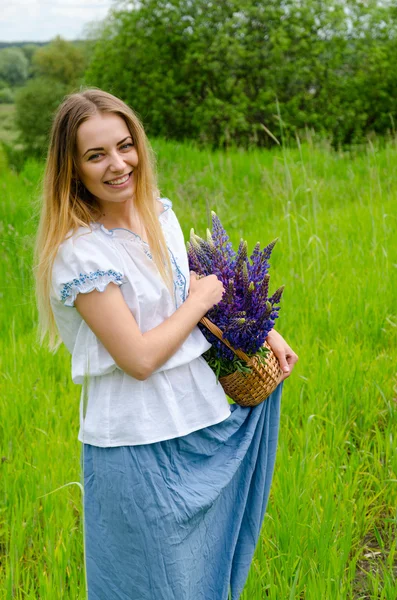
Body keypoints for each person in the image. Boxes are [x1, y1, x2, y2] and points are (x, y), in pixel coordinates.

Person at [34, 88, 298, 600]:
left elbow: (187, 286)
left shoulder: (157, 213)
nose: (117, 165)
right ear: (72, 169)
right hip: (133, 447)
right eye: (96, 155)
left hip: (199, 423)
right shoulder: (80, 254)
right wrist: (199, 302)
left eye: (124, 145)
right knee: (150, 588)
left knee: (201, 581)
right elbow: (138, 358)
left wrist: (262, 328)